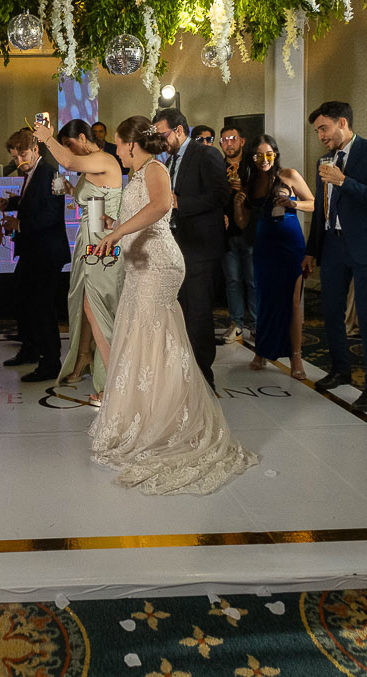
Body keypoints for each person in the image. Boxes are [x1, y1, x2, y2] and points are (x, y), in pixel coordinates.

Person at [88, 116, 257, 494]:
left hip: (159, 265)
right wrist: (115, 222)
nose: (116, 151)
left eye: (118, 144)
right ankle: (145, 415)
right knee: (142, 340)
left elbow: (162, 206)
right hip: (140, 265)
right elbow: (141, 215)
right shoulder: (137, 174)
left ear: (132, 144)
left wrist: (117, 232)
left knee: (157, 339)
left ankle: (167, 421)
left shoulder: (154, 168)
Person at [301, 101, 367, 412]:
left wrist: (343, 181)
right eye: (317, 131)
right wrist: (312, 249)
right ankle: (340, 370)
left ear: (342, 122)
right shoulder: (324, 160)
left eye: (323, 128)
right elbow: (322, 210)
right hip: (333, 246)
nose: (320, 136)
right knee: (330, 313)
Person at [32, 119, 124, 398]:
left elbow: (69, 162)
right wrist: (73, 192)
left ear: (83, 138)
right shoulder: (92, 164)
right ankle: (84, 356)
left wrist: (47, 138)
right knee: (83, 304)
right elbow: (96, 206)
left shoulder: (103, 159)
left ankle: (110, 382)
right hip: (90, 238)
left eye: (69, 144)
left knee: (96, 307)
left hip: (104, 244)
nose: (69, 150)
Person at [153, 107, 231, 390]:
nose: (160, 141)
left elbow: (220, 195)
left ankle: (203, 377)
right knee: (182, 309)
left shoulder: (206, 154)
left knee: (198, 312)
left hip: (201, 246)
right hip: (178, 244)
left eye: (163, 135)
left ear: (179, 130)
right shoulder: (169, 160)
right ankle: (185, 372)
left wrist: (180, 203)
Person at [0, 127, 70, 382]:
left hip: (47, 252)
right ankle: (30, 350)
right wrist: (11, 203)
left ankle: (50, 362)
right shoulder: (34, 172)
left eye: (22, 155)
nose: (19, 161)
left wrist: (20, 225)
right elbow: (34, 202)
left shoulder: (53, 174)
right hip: (34, 251)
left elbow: (54, 214)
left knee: (42, 308)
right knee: (24, 301)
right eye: (15, 157)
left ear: (36, 150)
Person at [235, 135, 313, 378]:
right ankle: (262, 351)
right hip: (265, 246)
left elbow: (313, 203)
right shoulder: (250, 182)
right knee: (266, 300)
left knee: (292, 302)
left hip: (290, 245)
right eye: (258, 155)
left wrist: (294, 204)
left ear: (275, 154)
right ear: (252, 158)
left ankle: (296, 358)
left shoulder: (289, 175)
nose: (264, 160)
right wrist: (237, 205)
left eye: (268, 154)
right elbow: (242, 223)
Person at [219, 125, 256, 346]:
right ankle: (237, 324)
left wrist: (244, 188)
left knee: (253, 280)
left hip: (250, 232)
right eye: (224, 140)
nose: (228, 143)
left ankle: (257, 325)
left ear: (242, 141)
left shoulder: (253, 166)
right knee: (232, 280)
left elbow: (261, 196)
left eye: (232, 138)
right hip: (227, 232)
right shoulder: (217, 166)